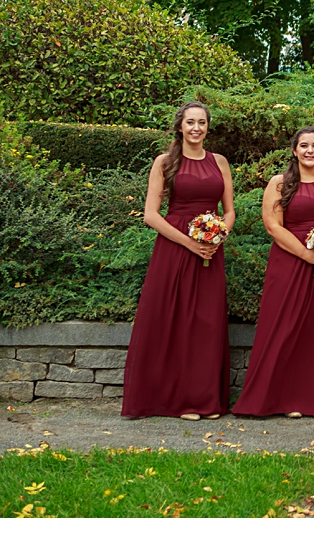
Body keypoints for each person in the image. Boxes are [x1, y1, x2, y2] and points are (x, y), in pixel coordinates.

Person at [233, 126, 314, 419]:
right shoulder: (280, 183)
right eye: (304, 145)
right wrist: (306, 254)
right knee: (283, 329)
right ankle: (279, 400)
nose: (310, 150)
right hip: (290, 262)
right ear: (294, 150)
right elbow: (273, 226)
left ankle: (310, 401)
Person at [122, 101, 235, 420]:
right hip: (175, 248)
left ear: (207, 127)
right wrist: (190, 242)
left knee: (207, 323)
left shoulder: (220, 162)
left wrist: (217, 236)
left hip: (210, 250)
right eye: (190, 122)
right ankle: (179, 401)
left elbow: (229, 211)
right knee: (177, 321)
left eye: (201, 123)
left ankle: (206, 400)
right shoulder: (164, 162)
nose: (196, 128)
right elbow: (150, 215)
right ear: (180, 126)